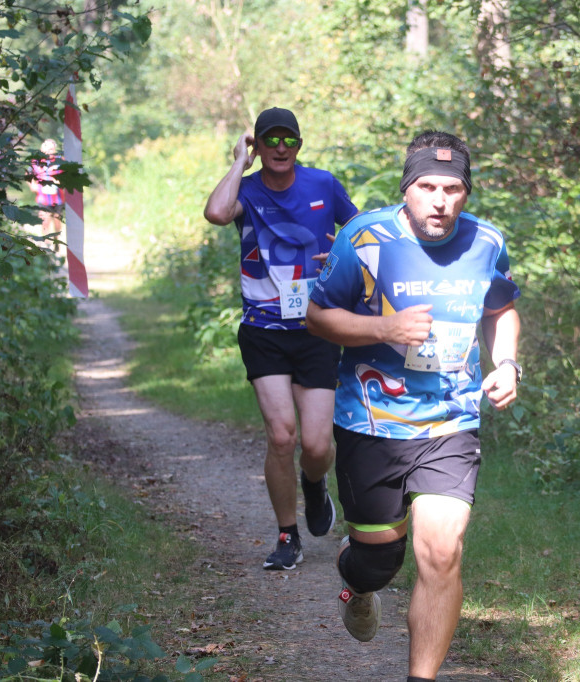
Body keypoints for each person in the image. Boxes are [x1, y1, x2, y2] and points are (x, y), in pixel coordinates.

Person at [306, 130, 522, 682]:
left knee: (442, 553)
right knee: (380, 560)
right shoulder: (365, 238)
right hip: (370, 422)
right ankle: (356, 583)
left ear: (467, 193)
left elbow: (501, 308)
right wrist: (385, 327)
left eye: (453, 188)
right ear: (408, 188)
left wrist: (507, 364)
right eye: (427, 185)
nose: (440, 200)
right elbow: (318, 317)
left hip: (451, 421)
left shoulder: (486, 243)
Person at [203, 107, 359, 570]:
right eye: (269, 140)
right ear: (258, 146)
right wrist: (238, 163)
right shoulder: (245, 190)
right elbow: (215, 212)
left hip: (316, 326)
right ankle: (287, 534)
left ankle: (314, 485)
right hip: (263, 330)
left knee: (315, 445)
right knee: (282, 437)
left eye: (287, 140)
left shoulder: (322, 184)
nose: (278, 148)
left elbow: (357, 233)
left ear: (298, 145)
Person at [28, 139, 65, 243]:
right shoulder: (36, 161)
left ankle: (56, 240)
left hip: (58, 197)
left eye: (51, 149)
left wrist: (61, 181)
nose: (49, 151)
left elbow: (68, 174)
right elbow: (28, 173)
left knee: (57, 220)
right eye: (46, 148)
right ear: (42, 149)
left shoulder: (60, 160)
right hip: (43, 197)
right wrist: (32, 185)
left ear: (54, 149)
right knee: (45, 220)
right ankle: (47, 243)